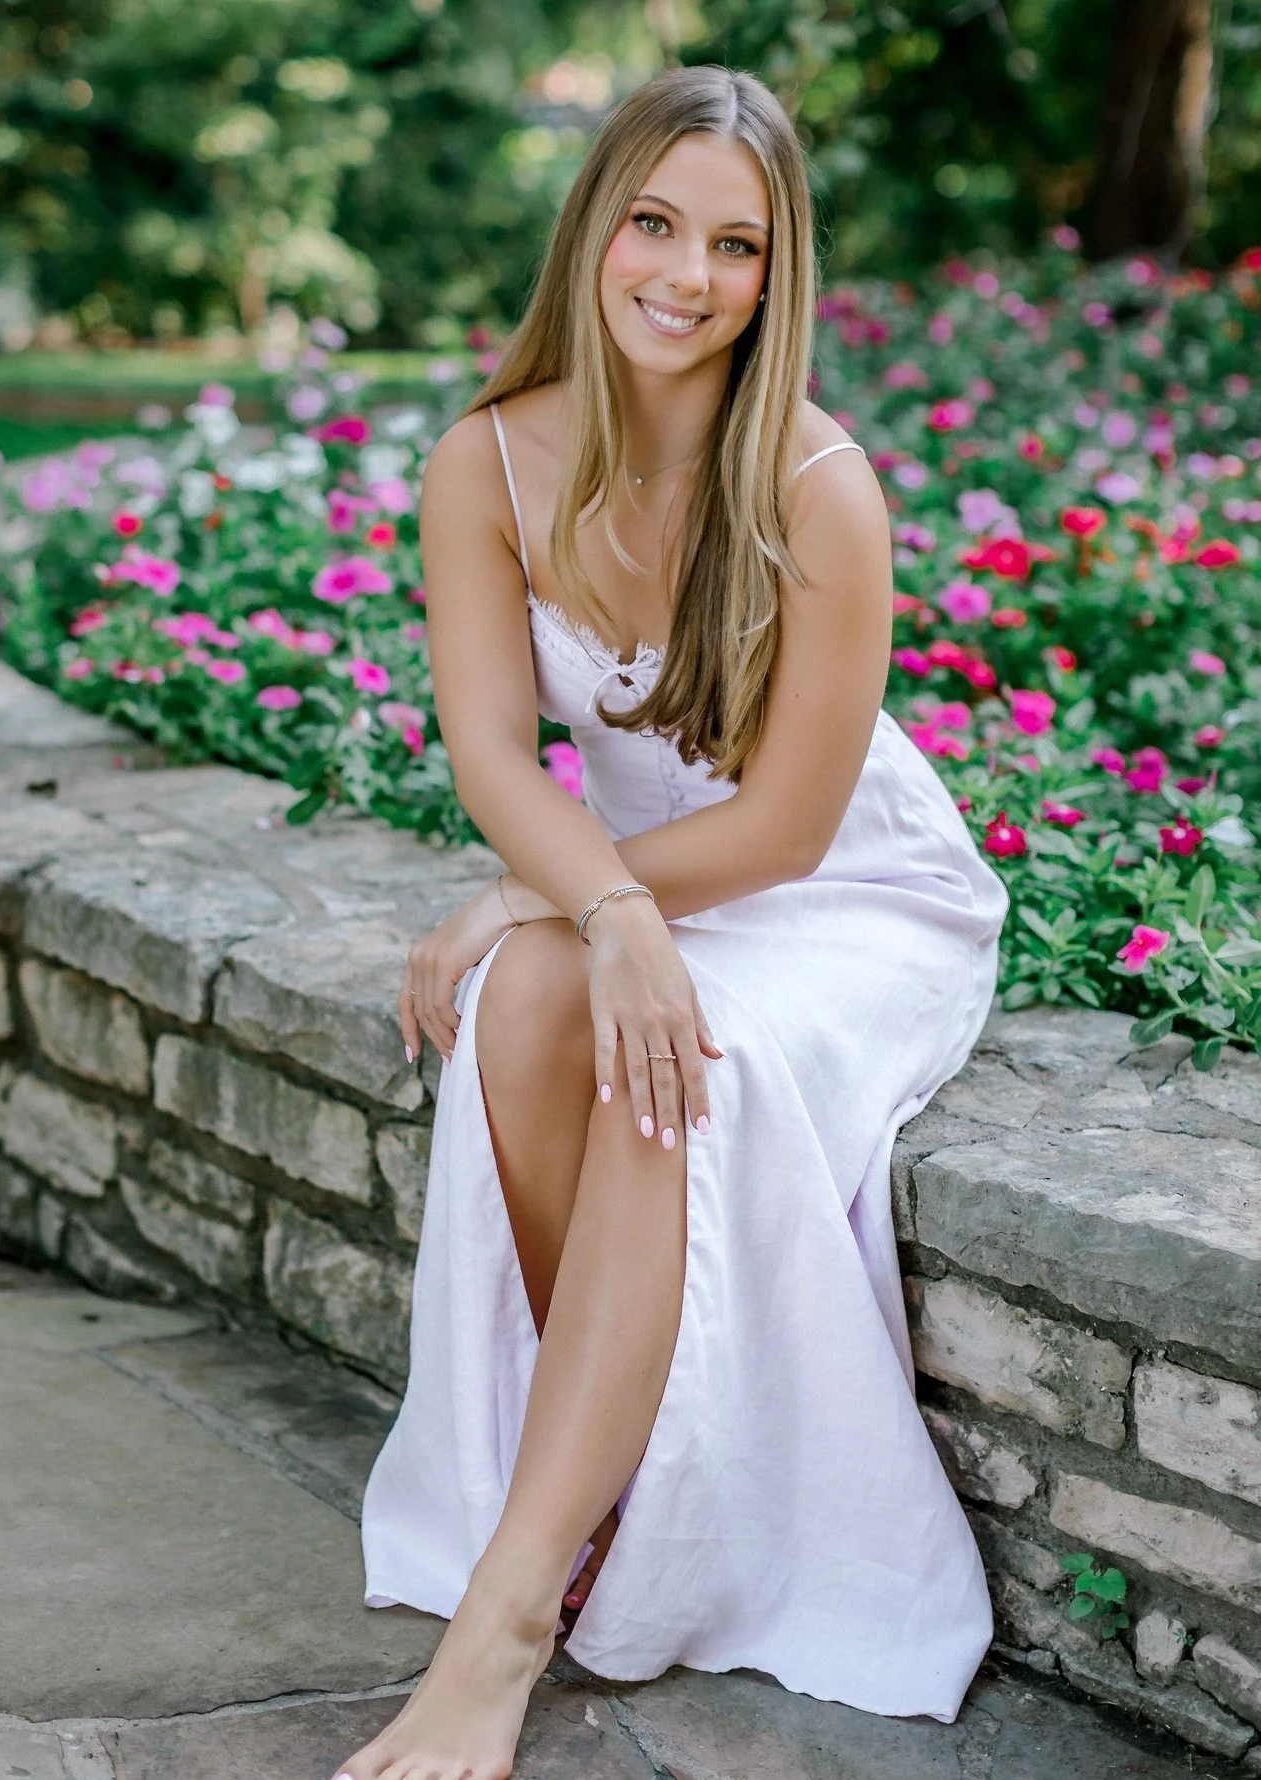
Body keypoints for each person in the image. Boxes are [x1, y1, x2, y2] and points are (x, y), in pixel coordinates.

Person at [333, 63, 1009, 1780]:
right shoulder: (486, 462)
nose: (684, 277)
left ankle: (504, 1624)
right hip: (656, 887)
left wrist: (578, 897)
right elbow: (492, 747)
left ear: (778, 277)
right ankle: (626, 1461)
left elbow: (789, 827)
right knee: (540, 1005)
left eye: (736, 244)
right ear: (596, 225)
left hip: (852, 897)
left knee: (659, 1048)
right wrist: (588, 901)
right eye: (654, 223)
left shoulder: (815, 484)